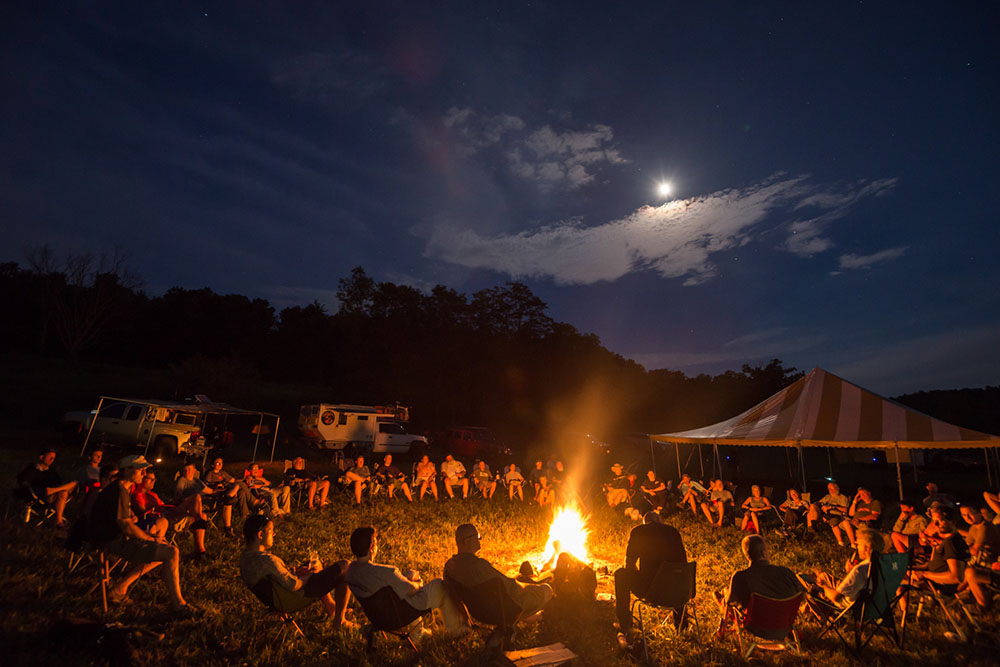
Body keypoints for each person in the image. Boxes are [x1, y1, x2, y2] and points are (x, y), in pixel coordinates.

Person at [88, 455, 197, 616]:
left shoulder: (124, 488)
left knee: (166, 546)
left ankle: (120, 587)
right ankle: (179, 605)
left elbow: (125, 520)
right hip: (110, 540)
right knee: (171, 552)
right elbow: (125, 526)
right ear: (126, 470)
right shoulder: (118, 490)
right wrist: (150, 538)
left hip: (115, 535)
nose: (144, 473)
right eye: (140, 469)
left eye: (145, 469)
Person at [346, 526, 467, 642]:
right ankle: (456, 630)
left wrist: (406, 578)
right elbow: (411, 590)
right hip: (400, 614)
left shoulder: (351, 570)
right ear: (371, 548)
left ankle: (418, 631)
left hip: (379, 618)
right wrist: (418, 583)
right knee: (439, 585)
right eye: (376, 543)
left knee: (410, 574)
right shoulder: (387, 572)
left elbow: (386, 584)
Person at [239, 514, 354, 630]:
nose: (274, 534)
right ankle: (340, 620)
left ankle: (331, 607)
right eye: (271, 531)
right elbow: (293, 584)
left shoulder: (246, 558)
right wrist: (312, 575)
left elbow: (276, 575)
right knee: (345, 567)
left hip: (276, 597)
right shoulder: (267, 561)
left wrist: (295, 570)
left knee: (313, 564)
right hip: (291, 598)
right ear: (260, 534)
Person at [444, 523, 553, 628]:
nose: (480, 539)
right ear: (467, 541)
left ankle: (528, 617)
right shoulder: (480, 567)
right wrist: (531, 587)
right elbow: (511, 588)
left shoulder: (450, 567)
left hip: (479, 613)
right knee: (546, 590)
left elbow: (454, 597)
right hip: (500, 612)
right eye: (477, 536)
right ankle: (534, 616)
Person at [614, 512, 688, 640]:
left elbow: (629, 564)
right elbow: (683, 564)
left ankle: (625, 625)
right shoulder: (673, 532)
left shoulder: (638, 531)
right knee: (675, 575)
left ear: (645, 523)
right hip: (678, 593)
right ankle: (681, 625)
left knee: (620, 574)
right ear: (660, 520)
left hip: (651, 591)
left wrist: (638, 575)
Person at [715, 535, 803, 635]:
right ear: (764, 553)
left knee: (724, 597)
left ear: (746, 555)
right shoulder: (785, 573)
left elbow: (729, 602)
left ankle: (725, 628)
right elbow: (800, 592)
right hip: (784, 624)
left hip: (755, 626)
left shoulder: (740, 577)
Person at [132, 470, 209, 559]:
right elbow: (143, 513)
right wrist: (162, 510)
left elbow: (162, 505)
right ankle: (199, 521)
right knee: (196, 497)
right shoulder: (138, 495)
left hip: (171, 512)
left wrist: (175, 504)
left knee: (202, 513)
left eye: (154, 479)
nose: (154, 481)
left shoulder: (152, 494)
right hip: (166, 518)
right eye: (150, 479)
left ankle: (200, 551)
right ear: (142, 479)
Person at [802, 530, 883, 612]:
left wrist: (824, 586)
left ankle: (826, 615)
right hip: (874, 606)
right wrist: (850, 572)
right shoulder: (882, 565)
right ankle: (804, 608)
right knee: (824, 576)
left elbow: (836, 597)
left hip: (847, 607)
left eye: (858, 544)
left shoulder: (860, 570)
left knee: (811, 590)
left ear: (867, 547)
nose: (857, 547)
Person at [16, 448, 78, 527]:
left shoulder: (52, 471)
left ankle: (52, 491)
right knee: (63, 493)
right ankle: (58, 521)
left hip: (52, 492)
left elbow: (58, 483)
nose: (52, 460)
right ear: (42, 457)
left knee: (74, 483)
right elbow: (23, 482)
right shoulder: (31, 468)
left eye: (53, 458)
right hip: (39, 494)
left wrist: (55, 489)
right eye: (50, 457)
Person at [911, 506, 967, 586]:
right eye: (934, 521)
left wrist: (924, 574)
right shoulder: (944, 541)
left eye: (940, 520)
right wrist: (912, 569)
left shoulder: (951, 542)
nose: (935, 524)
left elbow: (956, 577)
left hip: (938, 585)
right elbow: (932, 565)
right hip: (931, 578)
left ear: (952, 522)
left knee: (899, 587)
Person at [204, 456, 254, 535]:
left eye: (221, 463)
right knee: (238, 486)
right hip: (217, 493)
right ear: (212, 465)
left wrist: (245, 479)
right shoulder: (210, 473)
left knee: (241, 489)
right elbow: (206, 485)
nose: (220, 465)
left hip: (226, 490)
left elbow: (233, 480)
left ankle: (245, 514)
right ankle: (253, 502)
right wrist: (217, 484)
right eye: (217, 463)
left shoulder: (222, 473)